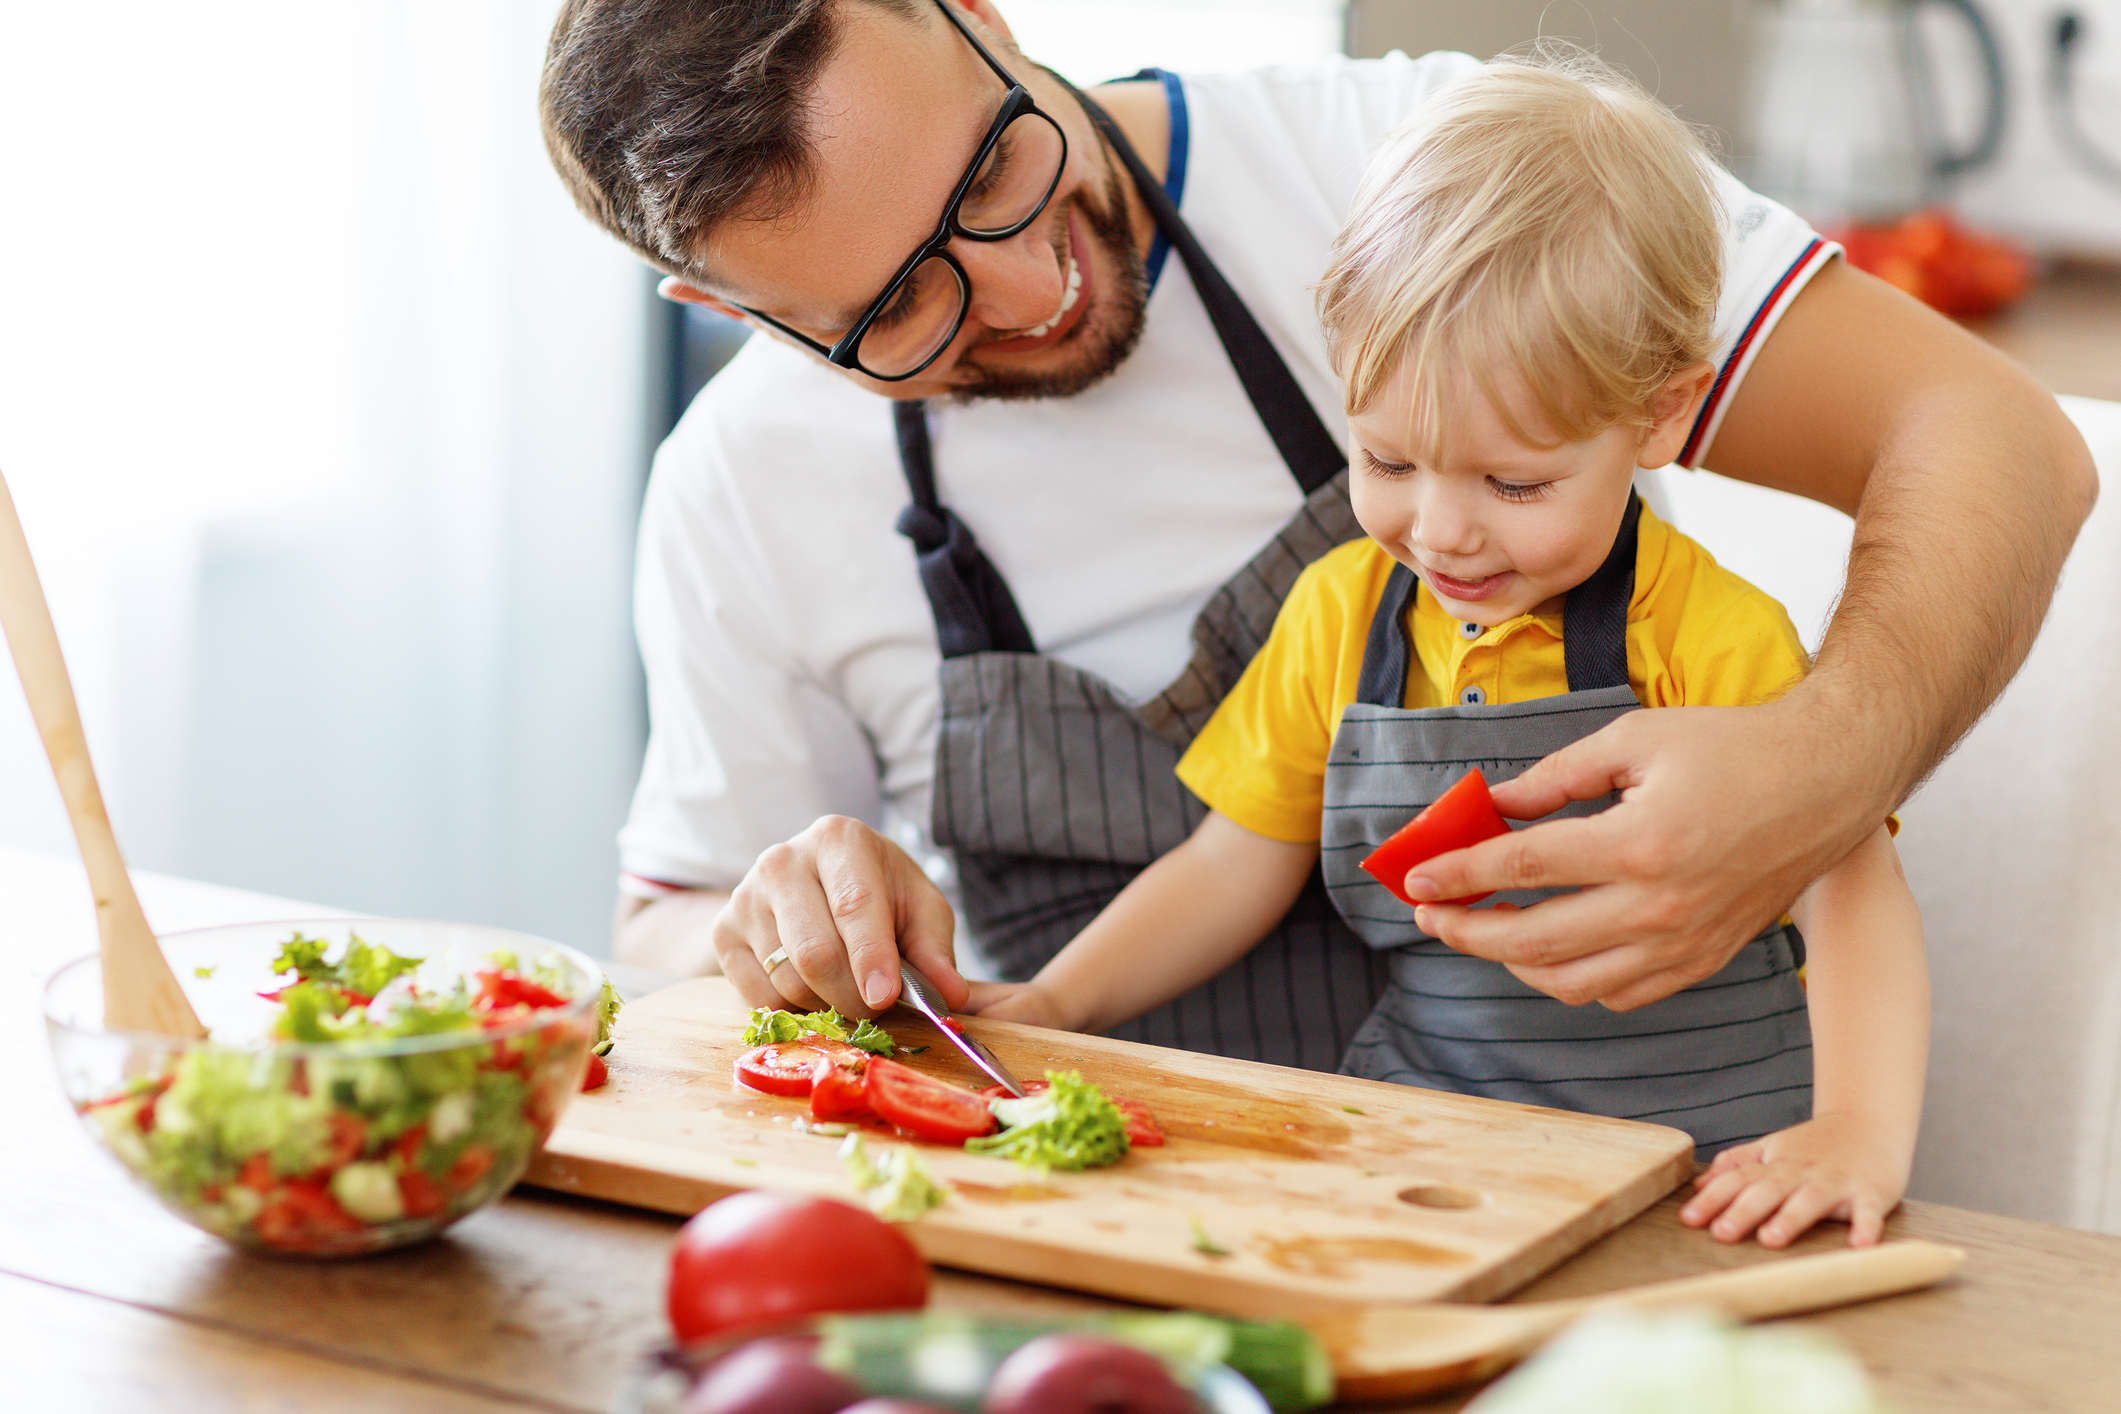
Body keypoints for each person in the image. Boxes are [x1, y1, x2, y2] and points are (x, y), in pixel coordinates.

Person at [539, 1, 2089, 1066]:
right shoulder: (737, 488)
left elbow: (1994, 438)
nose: (1025, 292)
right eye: (895, 309)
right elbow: (662, 926)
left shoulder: (1429, 167)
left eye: (993, 169)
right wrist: (769, 930)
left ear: (980, 17)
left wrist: (1825, 768)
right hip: (1115, 1218)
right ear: (725, 313)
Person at [968, 56, 1928, 1248]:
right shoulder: (1339, 612)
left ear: (1661, 418)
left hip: (1714, 1171)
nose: (1442, 527)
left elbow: (1851, 887)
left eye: (1514, 481)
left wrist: (1858, 1131)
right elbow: (1229, 867)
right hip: (1432, 1153)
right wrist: (1055, 1003)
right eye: (1388, 461)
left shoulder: (1704, 631)